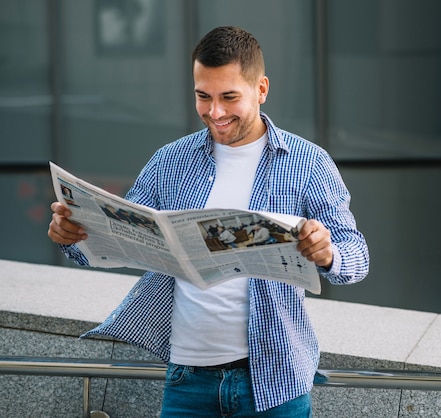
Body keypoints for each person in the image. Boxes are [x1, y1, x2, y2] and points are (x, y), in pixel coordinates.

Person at [48, 26, 369, 417]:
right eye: (203, 96)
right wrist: (73, 237)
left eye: (229, 97)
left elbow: (357, 259)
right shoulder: (170, 161)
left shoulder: (309, 163)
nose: (214, 112)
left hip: (274, 383)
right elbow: (118, 239)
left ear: (261, 89)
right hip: (187, 382)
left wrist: (327, 252)